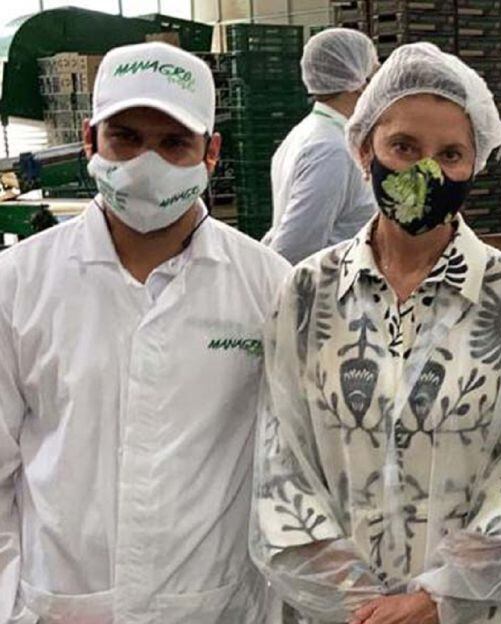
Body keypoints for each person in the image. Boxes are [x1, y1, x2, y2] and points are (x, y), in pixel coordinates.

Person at [251, 42, 501, 624]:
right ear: (364, 148)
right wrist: (360, 605)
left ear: (476, 163)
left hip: (474, 613)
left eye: (450, 154)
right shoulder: (308, 293)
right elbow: (281, 467)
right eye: (403, 147)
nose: (426, 171)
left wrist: (435, 601)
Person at [0, 42, 289, 621]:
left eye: (173, 143)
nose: (146, 163)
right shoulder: (19, 283)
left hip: (216, 606)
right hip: (62, 605)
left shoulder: (267, 286)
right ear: (89, 140)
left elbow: (289, 469)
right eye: (126, 138)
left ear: (211, 153)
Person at [263, 28, 379, 264]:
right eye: (375, 70)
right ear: (358, 82)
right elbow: (294, 248)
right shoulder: (332, 150)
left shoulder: (311, 132)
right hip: (329, 294)